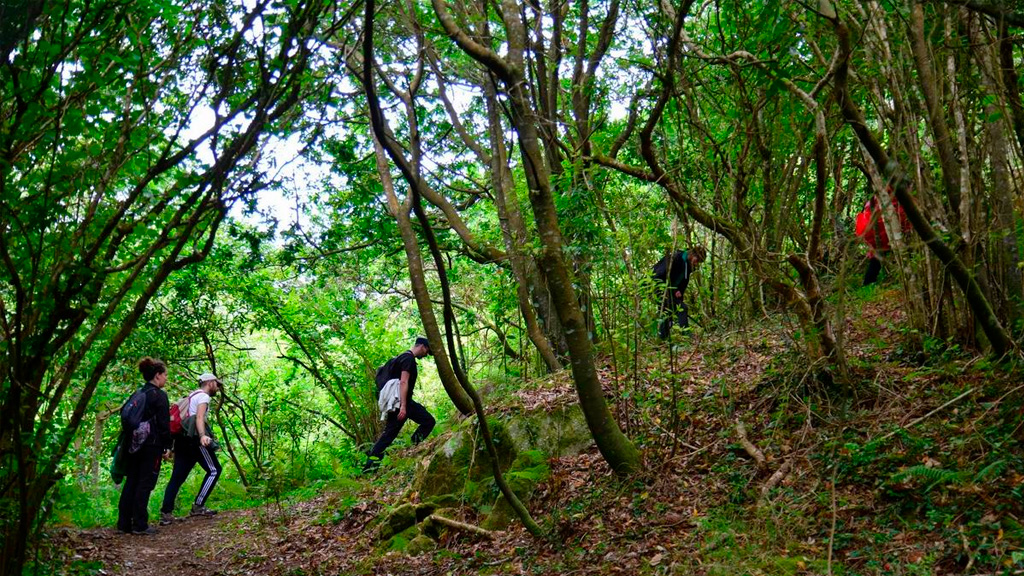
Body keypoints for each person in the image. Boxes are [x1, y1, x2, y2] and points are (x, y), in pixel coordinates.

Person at [363, 337, 436, 473]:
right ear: (422, 346)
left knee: (389, 434)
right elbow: (403, 382)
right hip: (402, 404)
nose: (426, 355)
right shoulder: (408, 359)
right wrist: (403, 406)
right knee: (426, 422)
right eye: (427, 351)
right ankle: (370, 468)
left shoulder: (400, 357)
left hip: (398, 403)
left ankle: (372, 467)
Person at [117, 357, 172, 535]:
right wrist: (168, 446)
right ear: (157, 375)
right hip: (151, 445)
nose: (166, 378)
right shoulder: (159, 396)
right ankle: (140, 524)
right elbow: (164, 424)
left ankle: (124, 523)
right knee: (145, 483)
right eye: (165, 375)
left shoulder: (139, 393)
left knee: (132, 481)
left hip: (133, 444)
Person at [160, 373, 223, 523]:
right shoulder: (204, 397)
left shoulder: (191, 395)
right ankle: (198, 506)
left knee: (177, 477)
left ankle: (166, 513)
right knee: (214, 470)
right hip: (195, 440)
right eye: (216, 383)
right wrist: (202, 436)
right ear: (209, 382)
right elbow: (199, 418)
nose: (218, 387)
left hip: (182, 440)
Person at [854, 194, 910, 286]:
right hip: (880, 232)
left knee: (876, 258)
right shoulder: (890, 198)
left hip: (873, 232)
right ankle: (869, 283)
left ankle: (868, 283)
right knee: (878, 258)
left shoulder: (878, 198)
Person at [652, 246, 706, 339]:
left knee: (667, 313)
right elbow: (659, 276)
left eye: (699, 262)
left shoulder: (688, 267)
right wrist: (673, 290)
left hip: (669, 291)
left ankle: (663, 339)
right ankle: (686, 335)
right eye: (697, 260)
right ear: (692, 254)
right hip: (658, 287)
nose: (696, 264)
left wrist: (678, 296)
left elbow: (681, 286)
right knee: (681, 308)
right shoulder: (675, 258)